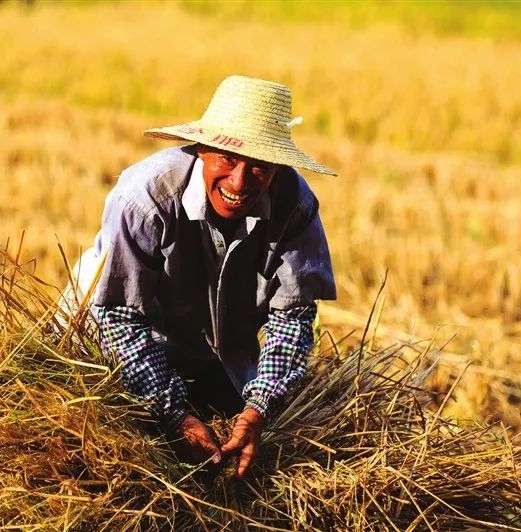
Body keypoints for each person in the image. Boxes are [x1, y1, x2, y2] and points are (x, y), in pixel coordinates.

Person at [68, 75, 336, 478]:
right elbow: (119, 318)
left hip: (210, 351)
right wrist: (174, 414)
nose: (239, 182)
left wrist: (259, 406)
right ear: (202, 148)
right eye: (227, 158)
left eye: (260, 167)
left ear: (278, 170)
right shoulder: (144, 197)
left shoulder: (295, 208)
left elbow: (292, 317)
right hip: (106, 350)